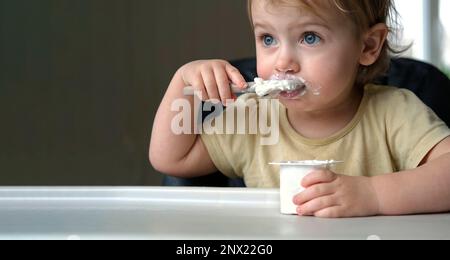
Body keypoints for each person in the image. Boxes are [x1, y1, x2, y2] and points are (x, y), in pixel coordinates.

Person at [149, 0, 450, 218]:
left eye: (309, 37)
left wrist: (374, 195)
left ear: (368, 46)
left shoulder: (394, 112)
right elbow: (171, 158)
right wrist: (183, 83)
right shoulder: (254, 117)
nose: (282, 62)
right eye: (268, 39)